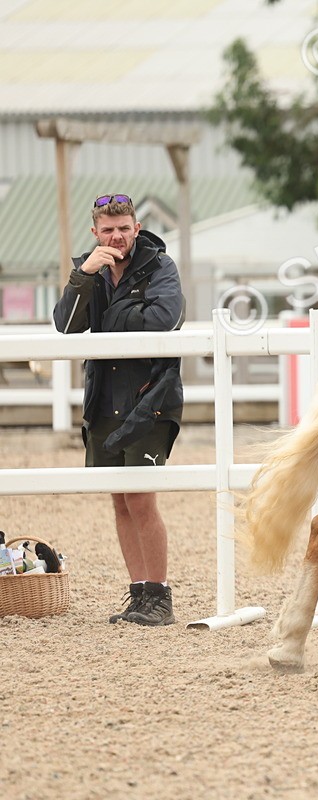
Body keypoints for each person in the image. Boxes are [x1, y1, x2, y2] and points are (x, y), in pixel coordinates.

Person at [53, 193, 185, 626]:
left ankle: (160, 597)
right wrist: (82, 277)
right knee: (119, 501)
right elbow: (66, 325)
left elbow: (164, 318)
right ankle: (139, 595)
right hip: (103, 398)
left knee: (141, 498)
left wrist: (112, 314)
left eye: (124, 228)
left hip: (150, 399)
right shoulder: (89, 272)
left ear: (136, 227)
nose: (117, 236)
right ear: (96, 233)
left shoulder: (160, 265)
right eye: (108, 230)